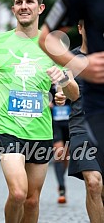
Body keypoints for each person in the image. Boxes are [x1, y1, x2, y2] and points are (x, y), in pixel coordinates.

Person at [0, 0, 79, 223]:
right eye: (19, 2)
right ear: (13, 9)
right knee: (19, 193)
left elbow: (73, 93)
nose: (24, 6)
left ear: (40, 7)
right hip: (8, 128)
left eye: (29, 2)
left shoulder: (54, 45)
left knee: (32, 200)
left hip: (41, 130)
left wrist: (63, 79)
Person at [46, 18, 104, 221]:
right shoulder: (73, 60)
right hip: (82, 128)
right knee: (94, 183)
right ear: (80, 28)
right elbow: (71, 91)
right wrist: (63, 90)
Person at [50, 83, 70, 204]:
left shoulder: (68, 76)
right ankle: (61, 187)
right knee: (59, 153)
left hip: (69, 121)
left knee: (66, 156)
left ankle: (61, 180)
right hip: (54, 122)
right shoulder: (48, 79)